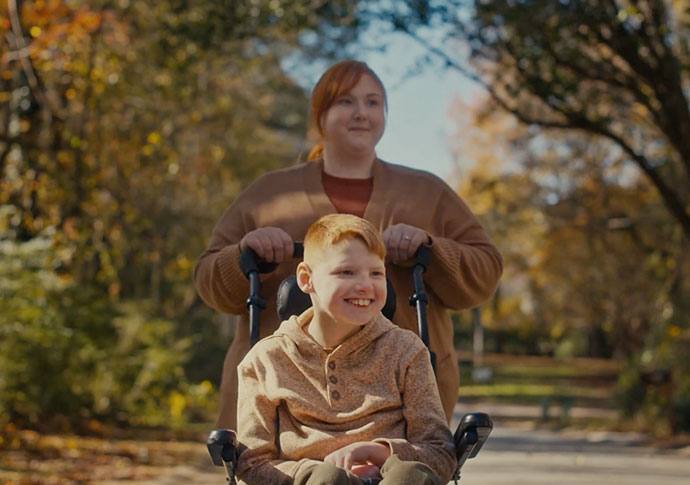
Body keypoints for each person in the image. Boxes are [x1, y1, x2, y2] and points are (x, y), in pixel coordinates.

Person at [193, 59, 503, 430]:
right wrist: (245, 253)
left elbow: (486, 270)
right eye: (346, 102)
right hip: (282, 402)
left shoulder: (428, 193)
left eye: (373, 102)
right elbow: (209, 279)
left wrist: (432, 250)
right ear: (320, 114)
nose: (361, 113)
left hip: (400, 401)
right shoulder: (268, 194)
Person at [236, 214, 456, 485]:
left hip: (391, 479)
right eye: (346, 272)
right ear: (306, 279)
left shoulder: (406, 350)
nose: (365, 284)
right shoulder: (266, 360)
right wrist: (313, 473)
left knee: (408, 476)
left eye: (376, 273)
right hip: (312, 482)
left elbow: (441, 454)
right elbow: (252, 462)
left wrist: (383, 453)